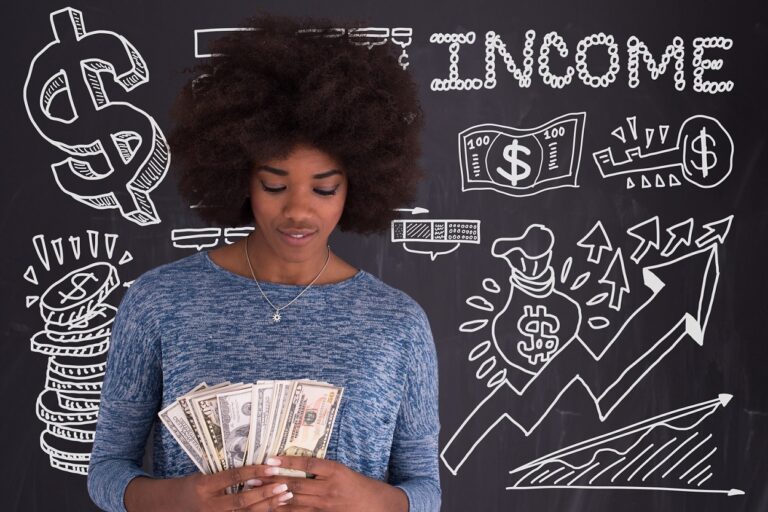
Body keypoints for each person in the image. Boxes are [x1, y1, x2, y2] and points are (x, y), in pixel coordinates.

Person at [87, 13, 441, 512]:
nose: (298, 209)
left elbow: (426, 488)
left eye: (324, 188)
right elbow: (106, 471)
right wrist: (183, 498)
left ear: (358, 185)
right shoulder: (159, 301)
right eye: (274, 185)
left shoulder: (398, 323)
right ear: (239, 177)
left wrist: (370, 499)